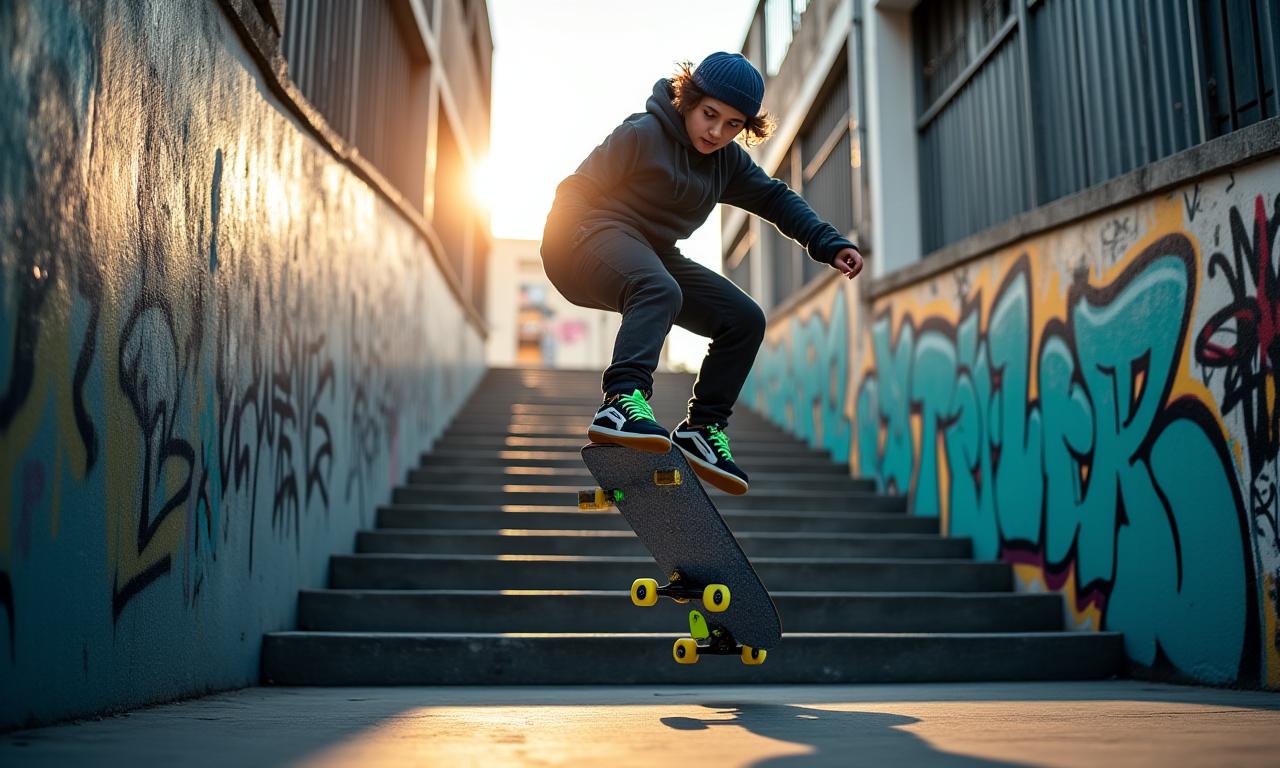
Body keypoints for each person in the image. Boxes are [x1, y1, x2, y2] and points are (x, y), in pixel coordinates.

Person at [539, 52, 862, 496]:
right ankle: (620, 402)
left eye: (732, 125)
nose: (716, 132)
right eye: (710, 115)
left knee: (743, 319)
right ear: (687, 100)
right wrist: (563, 247)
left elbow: (774, 199)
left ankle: (702, 429)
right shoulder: (642, 134)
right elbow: (576, 188)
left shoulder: (726, 162)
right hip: (585, 236)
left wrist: (829, 242)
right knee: (658, 288)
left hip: (652, 254)